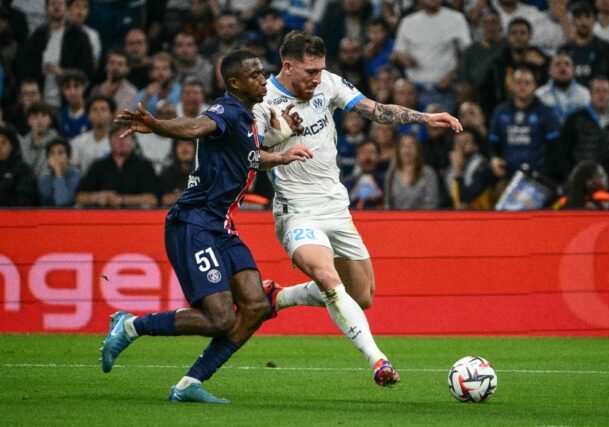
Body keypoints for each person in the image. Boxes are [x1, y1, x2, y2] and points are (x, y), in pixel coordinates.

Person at [253, 31, 462, 386]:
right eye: (309, 72)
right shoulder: (264, 103)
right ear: (287, 67)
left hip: (336, 207)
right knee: (329, 279)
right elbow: (248, 158)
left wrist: (425, 118)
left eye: (320, 70)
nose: (316, 79)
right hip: (297, 211)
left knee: (361, 296)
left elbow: (377, 111)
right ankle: (378, 360)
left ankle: (280, 296)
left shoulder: (329, 84)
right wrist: (281, 152)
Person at [102, 50, 313, 404]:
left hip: (223, 227)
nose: (264, 80)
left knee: (257, 306)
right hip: (194, 223)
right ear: (235, 83)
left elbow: (246, 157)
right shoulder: (225, 111)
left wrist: (278, 156)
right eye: (255, 75)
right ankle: (130, 326)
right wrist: (158, 125)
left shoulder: (246, 119)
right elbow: (196, 126)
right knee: (217, 319)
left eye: (263, 73)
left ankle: (189, 385)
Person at [74, 123, 158, 209]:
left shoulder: (144, 165)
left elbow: (152, 199)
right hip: (102, 217)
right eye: (117, 137)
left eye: (126, 137)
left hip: (134, 217)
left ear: (133, 141)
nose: (121, 140)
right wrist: (97, 197)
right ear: (109, 142)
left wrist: (121, 199)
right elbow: (79, 196)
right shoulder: (98, 165)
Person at [384, 133, 440, 210]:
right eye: (404, 146)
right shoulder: (391, 174)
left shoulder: (428, 173)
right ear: (398, 150)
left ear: (418, 150)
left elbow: (431, 203)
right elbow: (387, 204)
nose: (407, 150)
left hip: (421, 219)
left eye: (411, 146)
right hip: (397, 220)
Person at [0, 123, 37, 206]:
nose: (0, 147)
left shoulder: (23, 170)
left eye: (3, 143)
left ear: (12, 145)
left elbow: (25, 202)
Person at [38, 137, 81, 206]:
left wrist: (58, 174)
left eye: (60, 153)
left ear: (68, 157)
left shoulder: (76, 175)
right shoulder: (44, 178)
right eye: (52, 153)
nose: (56, 157)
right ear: (48, 158)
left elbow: (62, 203)